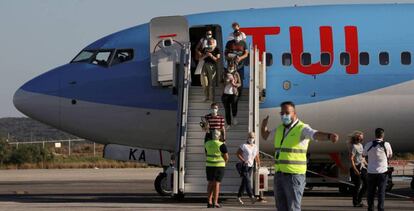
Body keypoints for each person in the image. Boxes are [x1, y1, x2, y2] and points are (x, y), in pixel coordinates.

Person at [261, 101, 339, 211]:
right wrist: (263, 125)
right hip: (279, 175)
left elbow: (314, 134)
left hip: (294, 176)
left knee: (293, 208)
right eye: (282, 113)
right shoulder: (280, 129)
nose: (284, 116)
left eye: (287, 113)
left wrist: (329, 136)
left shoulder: (302, 128)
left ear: (294, 114)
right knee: (281, 208)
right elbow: (266, 136)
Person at [363, 128, 393, 211]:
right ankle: (380, 208)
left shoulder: (368, 144)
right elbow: (390, 155)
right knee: (381, 192)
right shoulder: (387, 144)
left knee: (370, 192)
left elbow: (363, 154)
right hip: (383, 172)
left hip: (371, 172)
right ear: (383, 135)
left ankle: (370, 208)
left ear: (375, 135)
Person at [205, 129, 229, 208]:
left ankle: (209, 201)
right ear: (219, 136)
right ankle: (215, 202)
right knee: (217, 184)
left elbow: (206, 153)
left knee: (210, 183)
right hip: (219, 166)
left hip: (209, 165)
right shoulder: (222, 145)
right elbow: (226, 157)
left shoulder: (207, 143)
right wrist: (224, 163)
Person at [236, 132, 260, 205]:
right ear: (247, 137)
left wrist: (258, 163)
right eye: (250, 137)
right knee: (248, 181)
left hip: (250, 166)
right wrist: (243, 160)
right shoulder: (244, 145)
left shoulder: (255, 146)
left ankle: (239, 197)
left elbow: (256, 156)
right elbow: (238, 153)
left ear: (254, 138)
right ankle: (251, 196)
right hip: (243, 166)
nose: (251, 138)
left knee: (244, 182)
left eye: (252, 137)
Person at [196, 29, 220, 102]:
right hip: (204, 65)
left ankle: (212, 98)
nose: (210, 44)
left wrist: (211, 56)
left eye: (211, 42)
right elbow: (200, 59)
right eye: (209, 42)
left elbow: (217, 60)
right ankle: (206, 97)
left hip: (212, 66)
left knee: (212, 83)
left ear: (214, 43)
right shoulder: (204, 49)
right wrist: (205, 55)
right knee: (205, 83)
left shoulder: (217, 50)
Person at [225, 30, 248, 100]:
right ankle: (230, 95)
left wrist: (240, 58)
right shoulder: (229, 43)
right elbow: (226, 54)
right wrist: (233, 56)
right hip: (231, 66)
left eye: (239, 35)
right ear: (234, 36)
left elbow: (246, 54)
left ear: (240, 35)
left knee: (240, 80)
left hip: (240, 65)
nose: (237, 37)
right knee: (230, 80)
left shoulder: (243, 43)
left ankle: (239, 95)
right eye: (236, 35)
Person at [348, 131, 368, 207]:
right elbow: (351, 159)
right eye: (361, 137)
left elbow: (362, 157)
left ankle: (359, 200)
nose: (362, 138)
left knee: (366, 184)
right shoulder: (353, 146)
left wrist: (367, 165)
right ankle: (356, 202)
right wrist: (355, 170)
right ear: (357, 138)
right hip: (355, 167)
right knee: (357, 185)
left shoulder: (361, 145)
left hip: (362, 167)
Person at [222, 61, 241, 129]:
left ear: (234, 67)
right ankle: (228, 123)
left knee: (234, 106)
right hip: (225, 94)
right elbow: (220, 82)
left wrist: (235, 84)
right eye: (229, 67)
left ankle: (234, 117)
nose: (230, 68)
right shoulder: (224, 73)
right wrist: (226, 82)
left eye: (232, 67)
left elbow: (239, 84)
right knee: (227, 110)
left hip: (234, 93)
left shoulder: (236, 74)